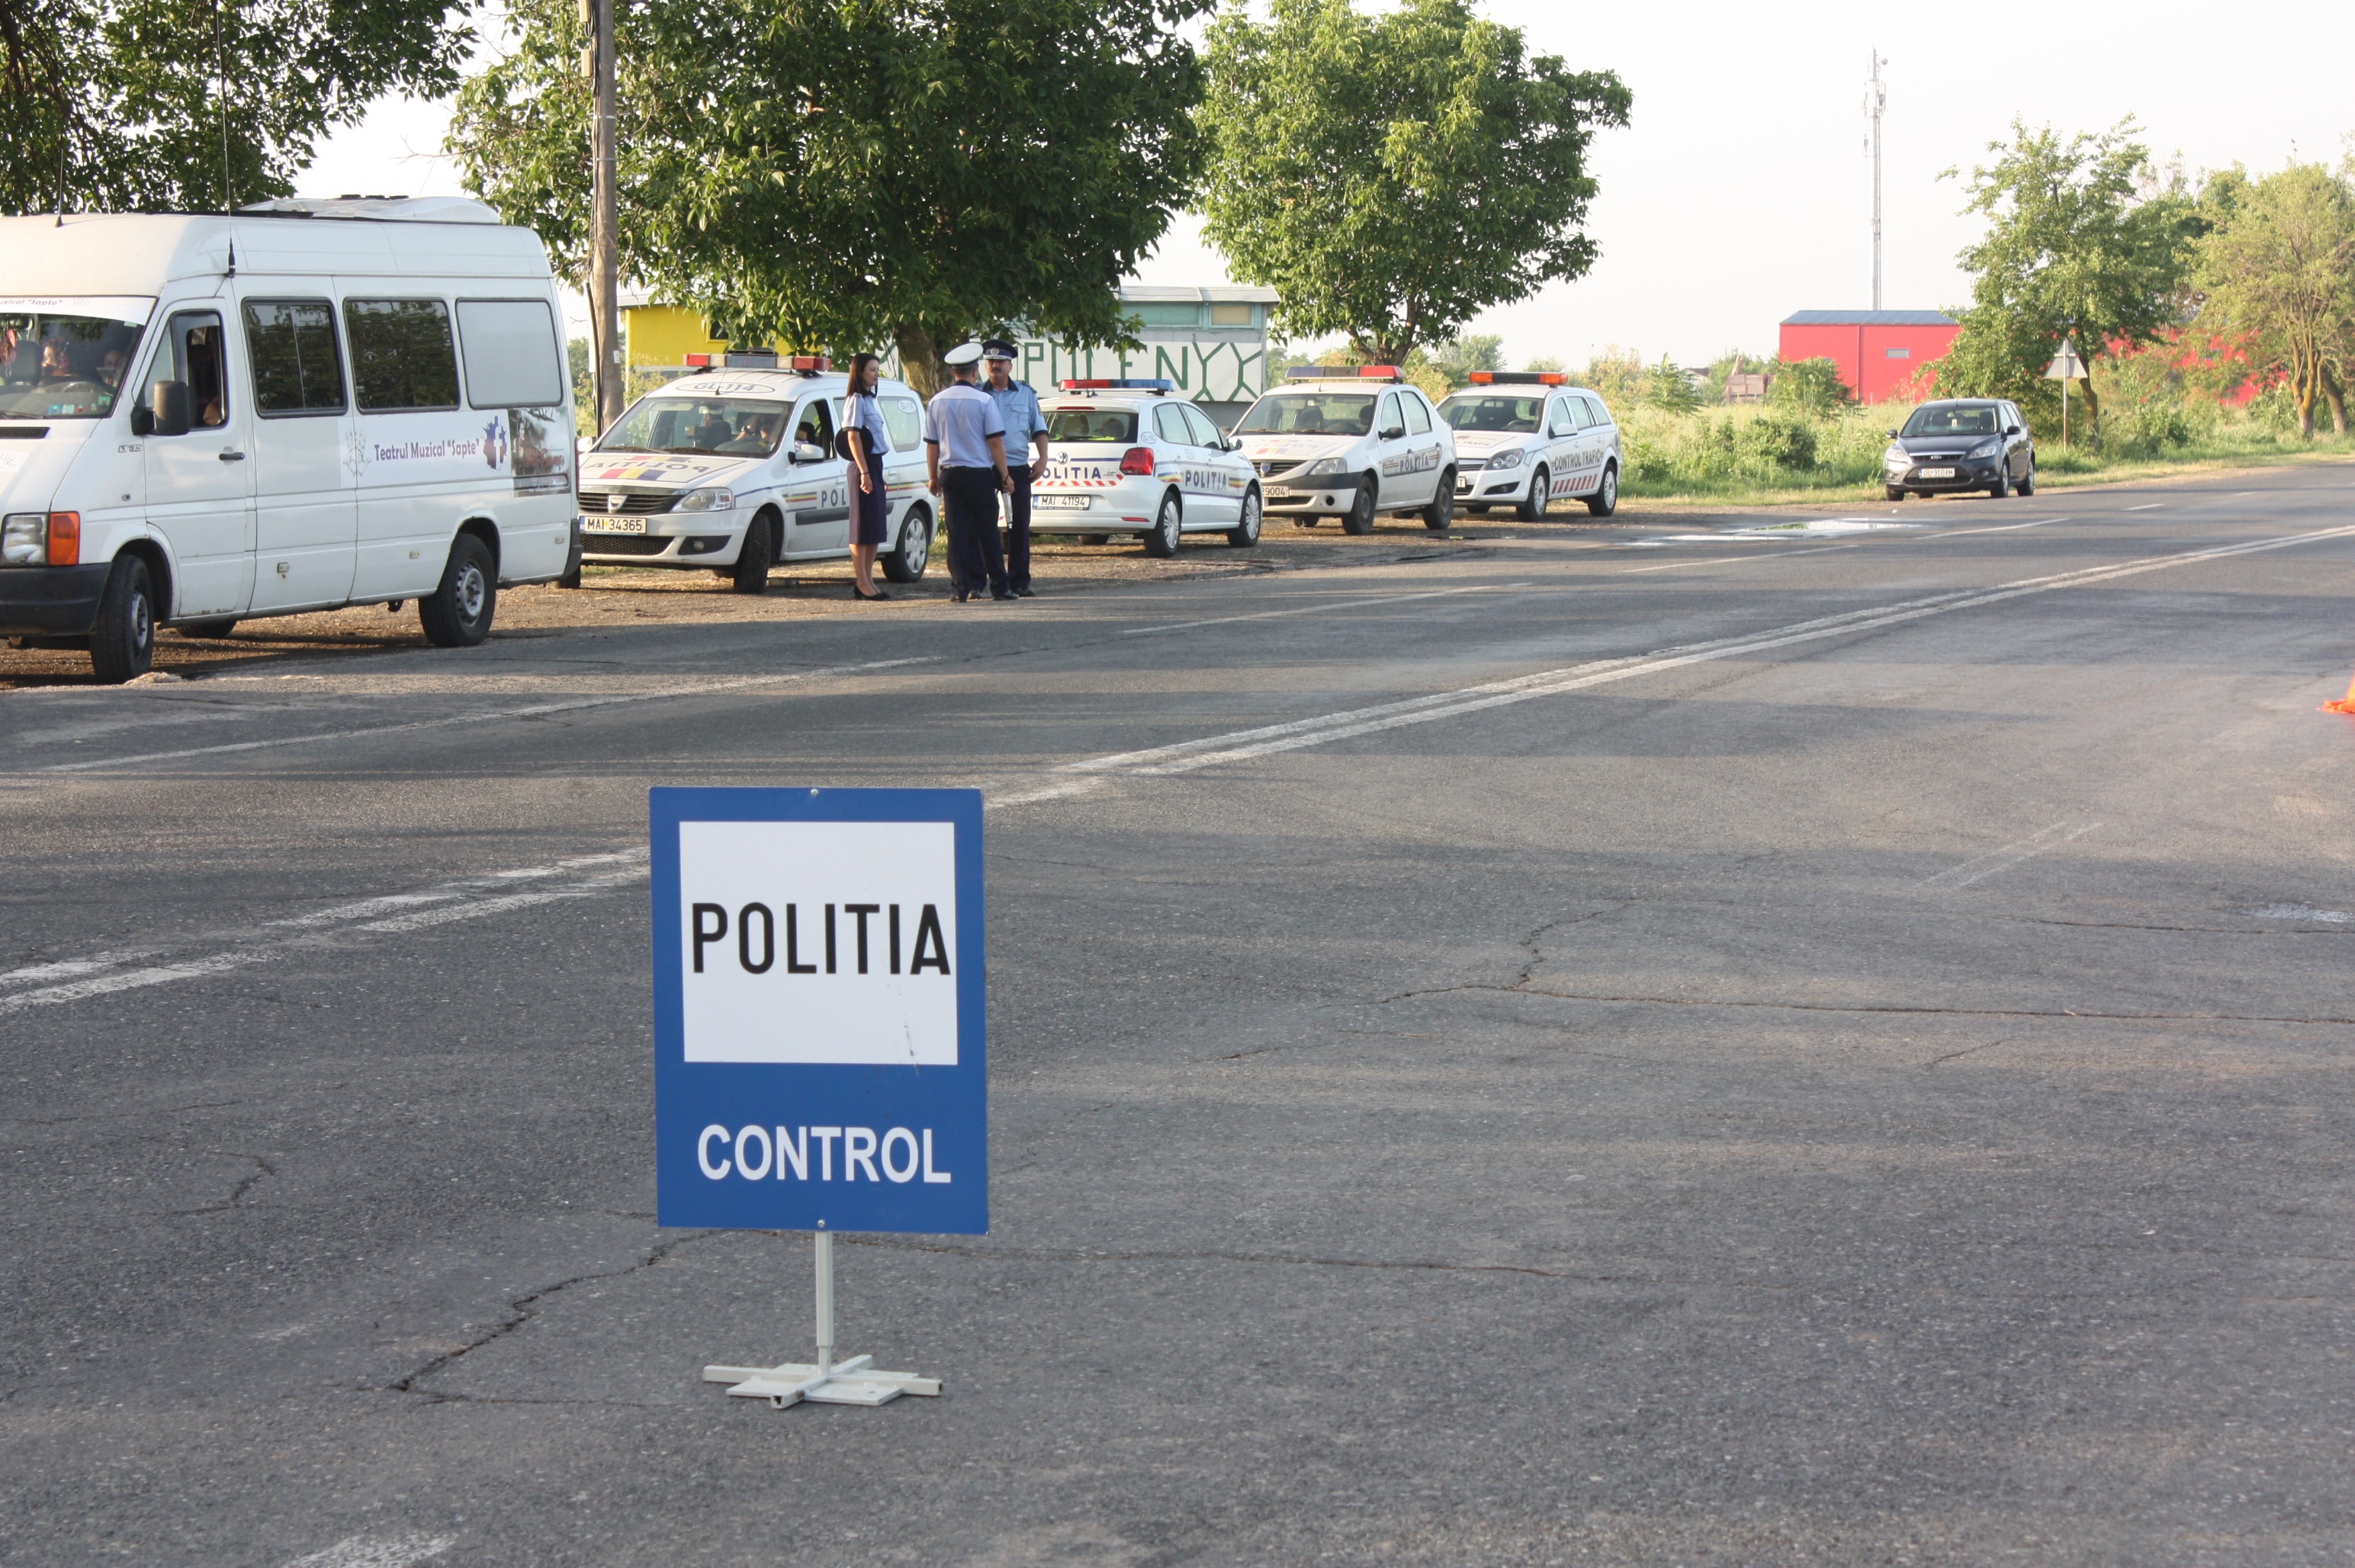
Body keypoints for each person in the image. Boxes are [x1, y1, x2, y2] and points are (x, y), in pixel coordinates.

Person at [924, 342, 1014, 602]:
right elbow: (995, 441)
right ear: (975, 371)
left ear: (954, 371)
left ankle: (961, 588)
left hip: (951, 473)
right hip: (979, 474)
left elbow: (932, 444)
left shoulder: (937, 401)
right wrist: (1005, 475)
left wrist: (933, 476)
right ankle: (1000, 587)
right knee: (988, 532)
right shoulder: (984, 400)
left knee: (957, 533)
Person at [982, 339, 1050, 597]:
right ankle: (983, 581)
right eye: (991, 361)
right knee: (983, 525)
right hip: (984, 467)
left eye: (1000, 361)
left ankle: (1019, 581)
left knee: (1019, 526)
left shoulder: (1026, 394)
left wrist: (1043, 459)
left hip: (1017, 465)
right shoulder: (977, 393)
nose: (995, 365)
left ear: (1010, 366)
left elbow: (1039, 429)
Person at [841, 352, 892, 600]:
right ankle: (861, 581)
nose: (876, 374)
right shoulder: (856, 400)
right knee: (861, 528)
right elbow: (853, 436)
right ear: (860, 372)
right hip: (862, 464)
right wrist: (864, 472)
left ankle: (869, 580)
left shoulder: (871, 399)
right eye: (872, 369)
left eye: (877, 369)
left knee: (874, 527)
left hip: (875, 464)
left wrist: (877, 474)